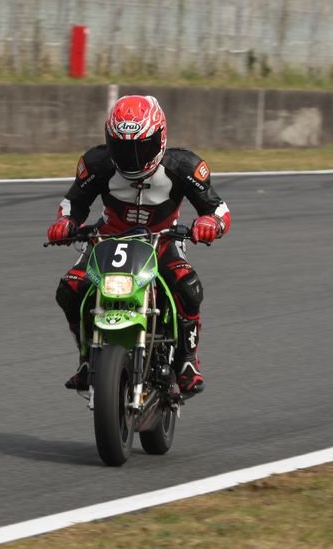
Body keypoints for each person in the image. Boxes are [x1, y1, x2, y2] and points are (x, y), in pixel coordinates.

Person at [48, 95, 231, 398]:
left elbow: (218, 208)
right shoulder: (96, 163)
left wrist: (210, 223)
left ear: (161, 138)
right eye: (122, 148)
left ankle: (187, 361)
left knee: (187, 287)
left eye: (141, 147)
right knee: (70, 288)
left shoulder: (185, 166)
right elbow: (73, 202)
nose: (132, 157)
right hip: (106, 240)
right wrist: (65, 222)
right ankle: (86, 357)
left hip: (162, 241)